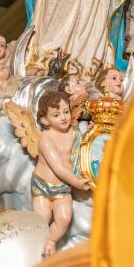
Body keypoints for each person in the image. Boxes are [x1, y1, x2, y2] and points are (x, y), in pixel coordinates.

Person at [31, 91, 90, 257]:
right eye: (56, 115)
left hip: (63, 188)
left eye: (66, 112)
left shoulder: (75, 132)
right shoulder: (46, 138)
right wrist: (77, 183)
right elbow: (58, 168)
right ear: (45, 120)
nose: (63, 117)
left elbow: (84, 150)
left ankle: (51, 241)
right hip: (43, 187)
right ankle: (37, 248)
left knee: (64, 218)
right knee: (42, 219)